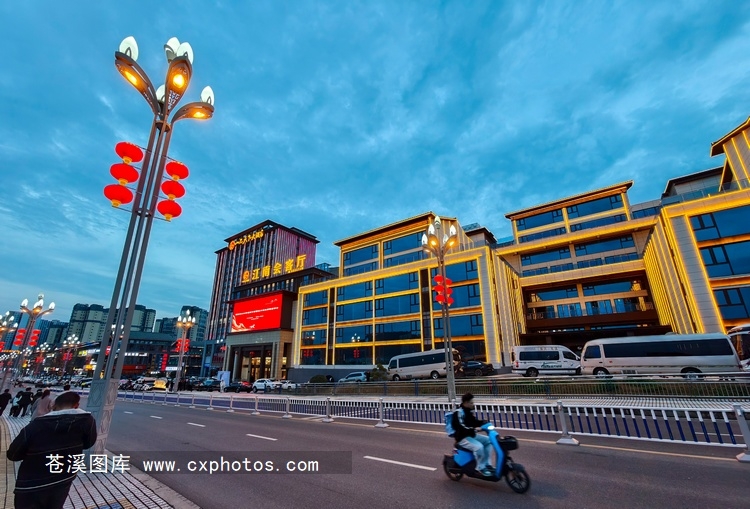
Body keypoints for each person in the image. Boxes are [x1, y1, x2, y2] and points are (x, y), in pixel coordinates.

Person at [7, 391, 97, 509]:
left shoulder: (36, 425)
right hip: (64, 478)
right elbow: (88, 444)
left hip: (31, 484)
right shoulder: (87, 421)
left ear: (53, 406)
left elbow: (13, 454)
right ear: (77, 405)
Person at [452, 392, 493, 476]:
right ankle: (480, 468)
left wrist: (483, 422)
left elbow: (474, 422)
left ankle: (486, 464)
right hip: (462, 438)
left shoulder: (468, 412)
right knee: (479, 447)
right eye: (471, 403)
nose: (473, 404)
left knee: (489, 441)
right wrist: (474, 429)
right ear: (466, 403)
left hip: (471, 436)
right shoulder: (458, 413)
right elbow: (461, 427)